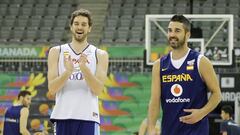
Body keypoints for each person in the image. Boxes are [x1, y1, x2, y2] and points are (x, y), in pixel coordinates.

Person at [148, 15, 222, 135]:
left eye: (177, 31)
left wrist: (202, 113)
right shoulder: (159, 65)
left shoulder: (201, 61)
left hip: (196, 131)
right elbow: (154, 101)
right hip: (169, 130)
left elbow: (217, 94)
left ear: (187, 35)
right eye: (170, 30)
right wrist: (151, 129)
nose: (172, 34)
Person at [47, 8, 109, 135]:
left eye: (84, 24)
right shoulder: (56, 52)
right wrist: (67, 72)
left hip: (88, 118)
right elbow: (52, 89)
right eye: (76, 24)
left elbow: (97, 90)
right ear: (71, 27)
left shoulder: (100, 54)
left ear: (89, 28)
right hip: (62, 116)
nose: (79, 27)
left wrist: (84, 69)